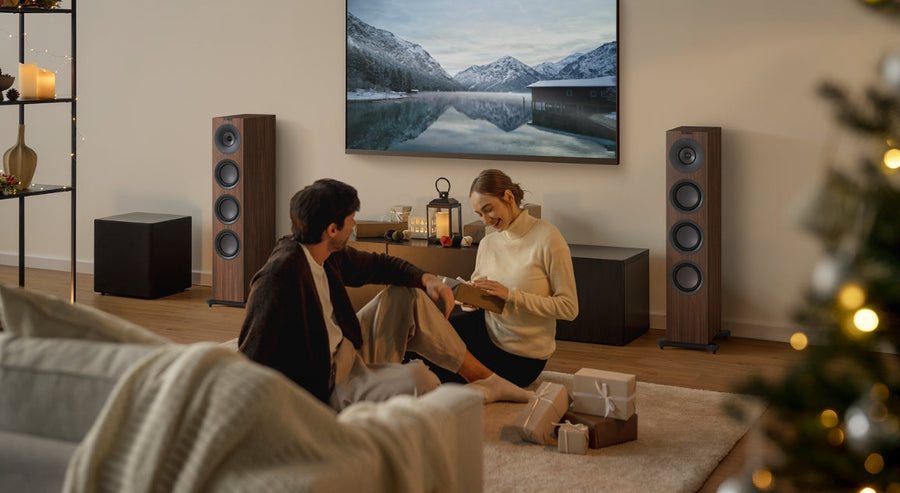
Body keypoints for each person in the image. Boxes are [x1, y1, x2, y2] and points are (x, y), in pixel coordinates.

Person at [238, 178, 532, 411]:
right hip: (326, 387)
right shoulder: (280, 277)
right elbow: (250, 357)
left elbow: (379, 265)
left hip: (345, 352)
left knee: (409, 295)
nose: (354, 224)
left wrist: (426, 279)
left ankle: (486, 380)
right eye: (351, 219)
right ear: (331, 229)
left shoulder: (325, 252)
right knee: (422, 380)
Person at [433, 169, 578, 388]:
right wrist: (471, 300)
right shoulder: (488, 243)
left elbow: (569, 308)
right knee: (422, 340)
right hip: (485, 331)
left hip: (521, 357)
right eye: (479, 214)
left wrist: (511, 296)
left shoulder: (548, 239)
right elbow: (481, 301)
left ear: (509, 197)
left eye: (488, 209)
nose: (485, 220)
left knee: (434, 371)